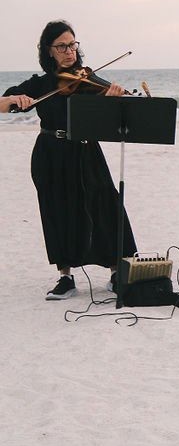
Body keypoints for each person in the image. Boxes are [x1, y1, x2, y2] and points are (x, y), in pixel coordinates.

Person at [2, 21, 137, 299]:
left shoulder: (86, 78)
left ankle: (115, 271)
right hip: (50, 152)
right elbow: (3, 105)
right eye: (61, 46)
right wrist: (18, 98)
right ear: (48, 51)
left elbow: (117, 117)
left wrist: (115, 99)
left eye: (72, 44)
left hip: (86, 150)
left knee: (105, 204)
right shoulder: (39, 84)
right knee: (57, 209)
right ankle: (65, 277)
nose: (69, 51)